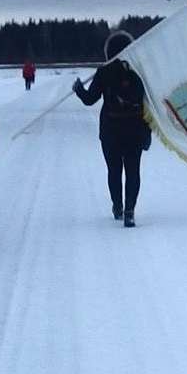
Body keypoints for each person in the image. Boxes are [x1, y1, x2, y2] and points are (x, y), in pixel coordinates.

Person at [72, 30, 152, 227]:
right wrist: (148, 130)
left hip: (111, 131)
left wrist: (79, 89)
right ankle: (130, 210)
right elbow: (151, 101)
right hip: (135, 129)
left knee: (114, 170)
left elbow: (90, 100)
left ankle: (117, 206)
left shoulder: (104, 71)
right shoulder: (140, 71)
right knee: (133, 170)